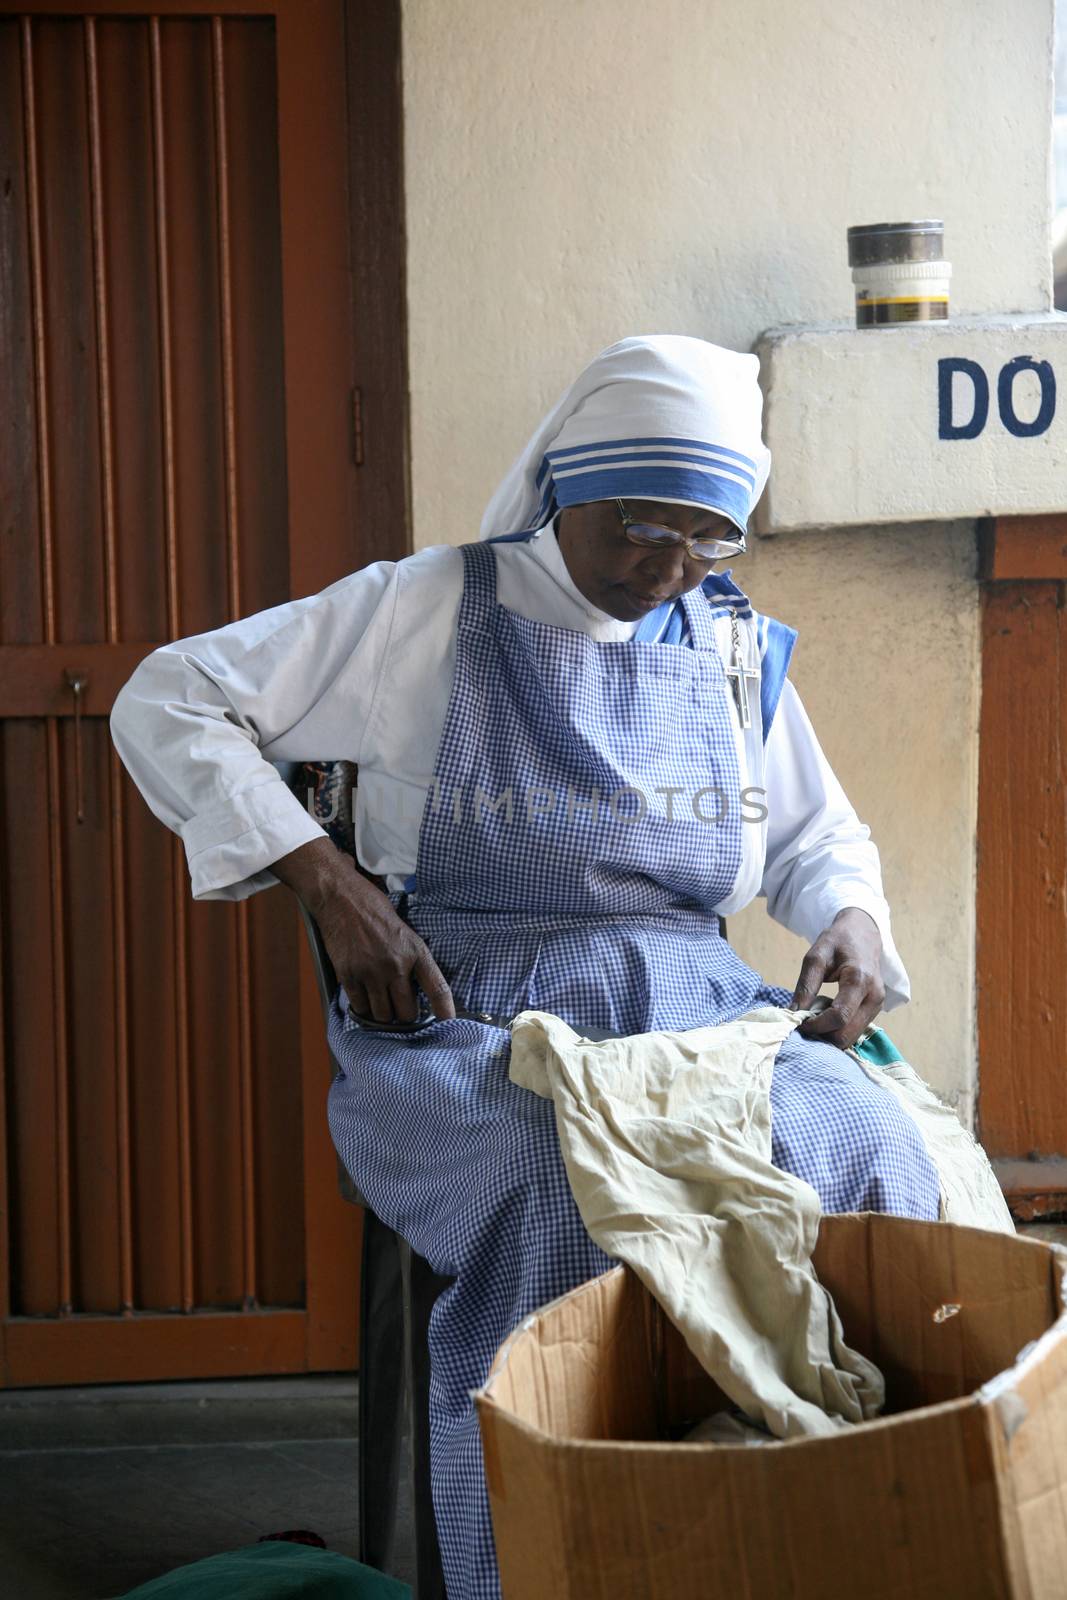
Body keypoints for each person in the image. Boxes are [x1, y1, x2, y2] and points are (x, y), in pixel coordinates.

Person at [111, 335, 939, 1600]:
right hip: (466, 1012)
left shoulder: (727, 644)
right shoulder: (424, 608)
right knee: (559, 1194)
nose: (665, 568)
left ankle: (810, 1539)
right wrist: (328, 885)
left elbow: (817, 837)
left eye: (705, 540)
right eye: (638, 532)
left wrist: (853, 921)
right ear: (568, 487)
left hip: (692, 1008)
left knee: (873, 1156)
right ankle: (545, 1558)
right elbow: (167, 696)